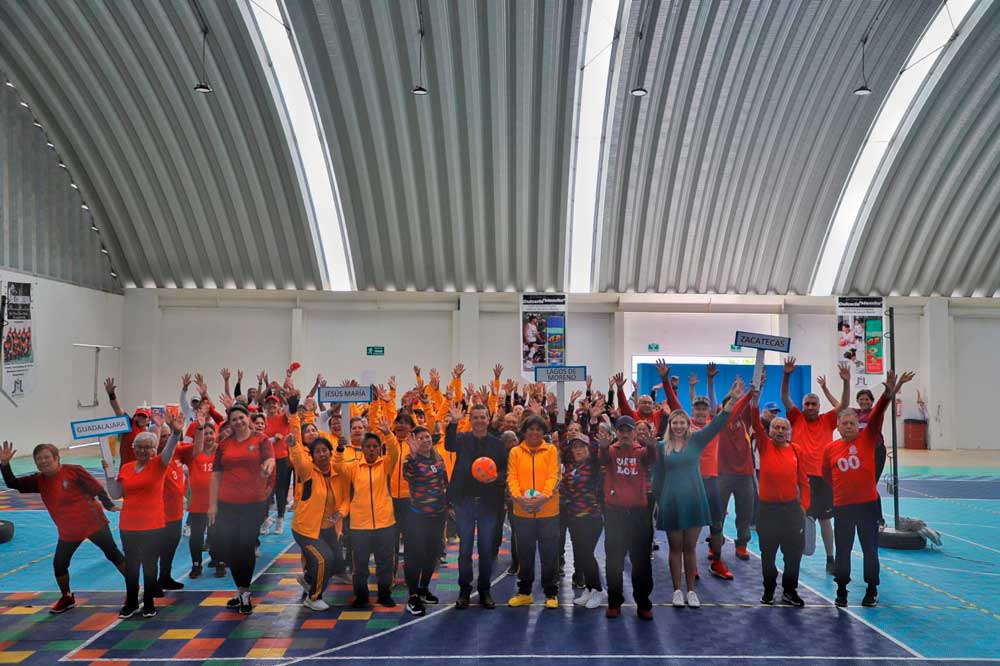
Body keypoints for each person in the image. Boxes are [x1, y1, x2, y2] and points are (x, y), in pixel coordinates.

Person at [823, 370, 914, 608]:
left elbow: (877, 413)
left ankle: (872, 589)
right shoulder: (831, 449)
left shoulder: (868, 438)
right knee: (843, 551)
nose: (849, 426)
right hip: (842, 507)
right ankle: (841, 589)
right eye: (845, 423)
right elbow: (826, 474)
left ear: (858, 425)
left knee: (870, 550)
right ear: (839, 427)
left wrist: (887, 393)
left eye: (853, 422)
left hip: (867, 507)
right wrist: (840, 490)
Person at [1, 441, 125, 614]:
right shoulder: (38, 480)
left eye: (46, 457)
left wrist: (108, 504)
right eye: (39, 459)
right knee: (59, 564)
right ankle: (66, 597)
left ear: (57, 458)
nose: (43, 461)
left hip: (92, 523)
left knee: (113, 554)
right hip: (68, 531)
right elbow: (13, 483)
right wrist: (5, 464)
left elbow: (95, 487)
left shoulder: (74, 471)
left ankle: (133, 589)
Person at [653, 378, 746, 609]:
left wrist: (733, 400)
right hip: (672, 502)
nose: (678, 426)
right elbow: (658, 478)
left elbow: (718, 423)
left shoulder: (696, 440)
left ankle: (691, 592)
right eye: (674, 423)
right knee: (675, 548)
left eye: (682, 423)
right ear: (670, 425)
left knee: (690, 548)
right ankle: (676, 590)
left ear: (687, 425)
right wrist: (657, 503)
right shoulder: (661, 447)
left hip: (694, 500)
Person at [105, 413, 182, 619]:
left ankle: (148, 602)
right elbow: (115, 494)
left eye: (148, 447)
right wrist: (108, 475)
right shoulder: (127, 468)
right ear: (133, 449)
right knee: (131, 566)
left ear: (154, 450)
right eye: (140, 447)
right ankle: (131, 602)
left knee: (149, 565)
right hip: (129, 526)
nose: (143, 450)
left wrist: (175, 433)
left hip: (153, 525)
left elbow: (170, 449)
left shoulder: (159, 465)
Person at [782, 357, 850, 574]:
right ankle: (795, 557)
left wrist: (846, 382)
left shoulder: (828, 420)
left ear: (819, 407)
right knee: (797, 520)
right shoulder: (796, 418)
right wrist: (786, 375)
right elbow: (785, 397)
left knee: (824, 521)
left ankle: (831, 559)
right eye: (807, 404)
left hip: (823, 479)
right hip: (800, 479)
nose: (810, 407)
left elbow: (844, 405)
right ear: (803, 406)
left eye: (813, 404)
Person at [209, 403, 275, 615]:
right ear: (230, 423)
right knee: (229, 547)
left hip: (253, 503)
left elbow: (270, 459)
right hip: (227, 503)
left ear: (248, 418)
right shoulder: (224, 445)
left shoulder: (261, 440)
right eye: (234, 419)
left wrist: (268, 468)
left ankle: (245, 591)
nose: (238, 422)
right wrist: (212, 504)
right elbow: (216, 475)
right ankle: (240, 589)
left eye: (241, 417)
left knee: (245, 545)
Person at [748, 383, 810, 607]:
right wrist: (755, 399)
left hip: (791, 510)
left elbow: (804, 481)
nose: (780, 431)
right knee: (768, 555)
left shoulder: (796, 450)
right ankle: (769, 590)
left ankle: (790, 591)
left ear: (789, 432)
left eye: (784, 428)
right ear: (770, 430)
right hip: (768, 511)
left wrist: (803, 505)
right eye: (776, 427)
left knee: (793, 555)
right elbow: (755, 421)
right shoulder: (764, 446)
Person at [445, 403, 507, 609]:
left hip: (489, 504)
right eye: (476, 417)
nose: (479, 421)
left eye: (483, 417)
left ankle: (484, 590)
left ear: (488, 420)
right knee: (464, 550)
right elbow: (448, 445)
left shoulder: (497, 444)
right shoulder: (462, 440)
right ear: (470, 420)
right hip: (465, 503)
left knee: (486, 549)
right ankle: (464, 590)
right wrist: (453, 422)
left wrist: (496, 477)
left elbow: (506, 471)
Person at [332, 421, 400, 608]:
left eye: (375, 447)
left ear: (379, 449)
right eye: (368, 447)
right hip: (359, 525)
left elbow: (394, 451)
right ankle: (361, 596)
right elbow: (337, 467)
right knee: (359, 566)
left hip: (385, 523)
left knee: (385, 563)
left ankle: (384, 595)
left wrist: (388, 434)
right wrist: (338, 450)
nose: (372, 450)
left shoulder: (386, 465)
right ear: (361, 449)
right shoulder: (354, 467)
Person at [596, 415, 656, 618]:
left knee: (641, 561)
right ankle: (614, 601)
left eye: (628, 430)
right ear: (617, 433)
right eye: (621, 430)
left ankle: (643, 603)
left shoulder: (642, 451)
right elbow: (602, 460)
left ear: (633, 433)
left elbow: (651, 460)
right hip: (615, 514)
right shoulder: (611, 451)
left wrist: (652, 446)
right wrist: (603, 447)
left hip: (638, 514)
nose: (625, 434)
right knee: (614, 560)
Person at [287, 404, 345, 611]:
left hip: (328, 528)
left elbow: (345, 499)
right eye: (317, 451)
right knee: (323, 559)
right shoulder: (308, 471)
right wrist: (294, 444)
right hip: (306, 529)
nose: (321, 454)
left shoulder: (337, 474)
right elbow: (299, 459)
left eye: (325, 451)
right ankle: (313, 596)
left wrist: (341, 512)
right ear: (312, 455)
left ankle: (310, 579)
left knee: (338, 560)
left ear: (330, 453)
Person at [507, 415, 561, 609]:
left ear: (543, 432)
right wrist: (518, 498)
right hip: (522, 512)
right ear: (525, 431)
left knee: (549, 554)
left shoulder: (551, 450)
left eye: (539, 429)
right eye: (531, 429)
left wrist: (543, 498)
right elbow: (511, 477)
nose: (535, 432)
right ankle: (524, 592)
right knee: (525, 555)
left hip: (548, 512)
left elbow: (554, 476)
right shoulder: (515, 452)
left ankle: (551, 593)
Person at [402, 427, 449, 616]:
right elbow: (408, 475)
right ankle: (412, 596)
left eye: (427, 436)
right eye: (420, 438)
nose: (425, 440)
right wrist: (413, 456)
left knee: (432, 554)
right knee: (415, 556)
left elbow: (443, 482)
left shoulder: (438, 459)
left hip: (437, 516)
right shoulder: (410, 460)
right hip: (417, 517)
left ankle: (423, 588)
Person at [562, 436, 605, 609]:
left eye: (582, 447)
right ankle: (589, 589)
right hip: (574, 518)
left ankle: (599, 591)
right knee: (580, 556)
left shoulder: (594, 466)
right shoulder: (569, 467)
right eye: (575, 447)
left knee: (587, 554)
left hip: (591, 518)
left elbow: (597, 446)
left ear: (588, 449)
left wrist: (592, 419)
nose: (578, 450)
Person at [176, 414, 220, 579]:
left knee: (216, 534)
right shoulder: (193, 454)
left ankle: (218, 560)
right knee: (196, 536)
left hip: (216, 503)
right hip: (197, 504)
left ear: (215, 435)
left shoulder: (220, 453)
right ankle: (196, 564)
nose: (208, 436)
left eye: (211, 433)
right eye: (205, 434)